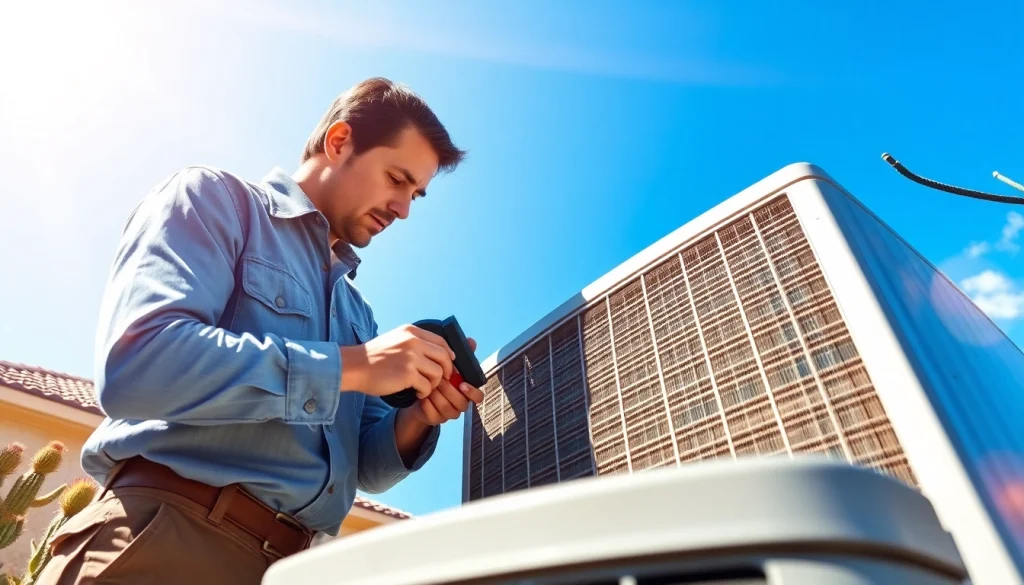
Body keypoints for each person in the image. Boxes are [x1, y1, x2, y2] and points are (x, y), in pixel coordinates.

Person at [35, 77, 484, 585]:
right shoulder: (212, 200)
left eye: (416, 195)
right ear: (340, 142)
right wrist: (354, 367)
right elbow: (139, 366)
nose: (403, 209)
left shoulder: (358, 315)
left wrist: (419, 417)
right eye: (397, 179)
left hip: (294, 569)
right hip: (166, 540)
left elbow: (370, 469)